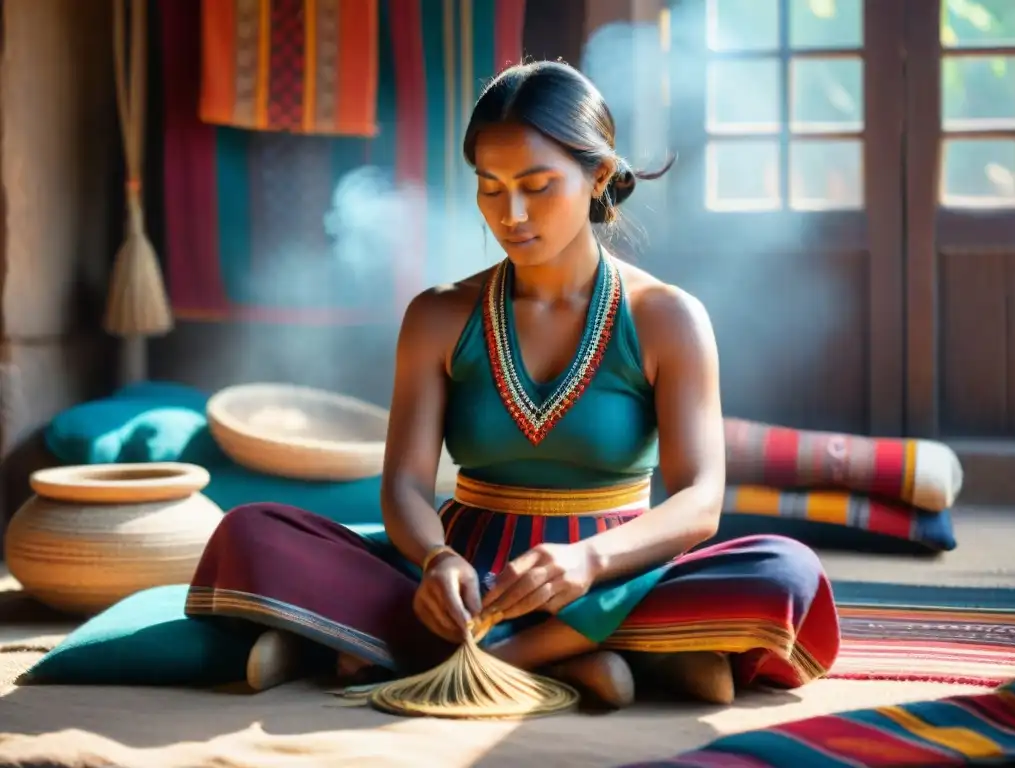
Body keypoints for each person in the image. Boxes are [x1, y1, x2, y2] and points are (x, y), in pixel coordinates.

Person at [186, 60, 841, 708]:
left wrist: (586, 563)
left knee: (784, 570)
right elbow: (406, 487)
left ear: (600, 177)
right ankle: (601, 656)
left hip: (617, 574)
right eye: (490, 187)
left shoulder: (669, 318)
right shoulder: (437, 315)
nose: (512, 213)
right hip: (465, 579)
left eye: (537, 185)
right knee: (252, 530)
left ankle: (474, 654)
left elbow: (699, 502)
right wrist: (437, 560)